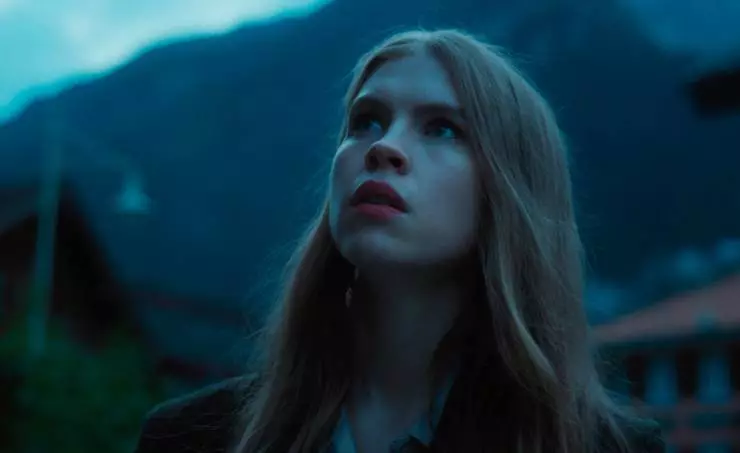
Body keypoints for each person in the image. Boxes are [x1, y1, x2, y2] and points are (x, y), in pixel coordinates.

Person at [134, 28, 664, 453]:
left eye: (443, 128)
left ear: (508, 194)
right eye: (366, 121)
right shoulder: (189, 439)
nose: (383, 147)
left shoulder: (605, 447)